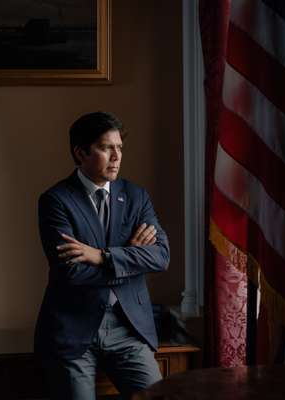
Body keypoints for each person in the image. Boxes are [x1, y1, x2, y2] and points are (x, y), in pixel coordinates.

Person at [34, 111, 170, 400]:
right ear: (81, 152)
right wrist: (131, 257)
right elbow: (72, 270)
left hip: (128, 327)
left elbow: (160, 256)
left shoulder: (136, 196)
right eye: (107, 148)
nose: (117, 156)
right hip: (73, 331)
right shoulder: (56, 200)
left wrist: (102, 256)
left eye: (120, 147)